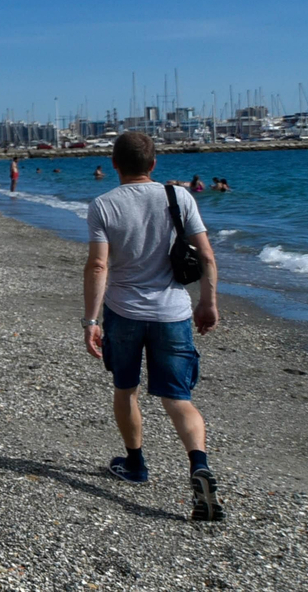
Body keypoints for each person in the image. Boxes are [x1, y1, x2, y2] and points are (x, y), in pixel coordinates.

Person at [82, 131, 222, 521]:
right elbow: (206, 256)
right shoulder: (180, 196)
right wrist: (207, 303)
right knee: (178, 398)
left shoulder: (103, 204)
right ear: (154, 164)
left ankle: (136, 464)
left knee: (126, 389)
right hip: (173, 313)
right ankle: (199, 465)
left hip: (123, 312)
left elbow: (98, 265)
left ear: (114, 164)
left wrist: (91, 321)